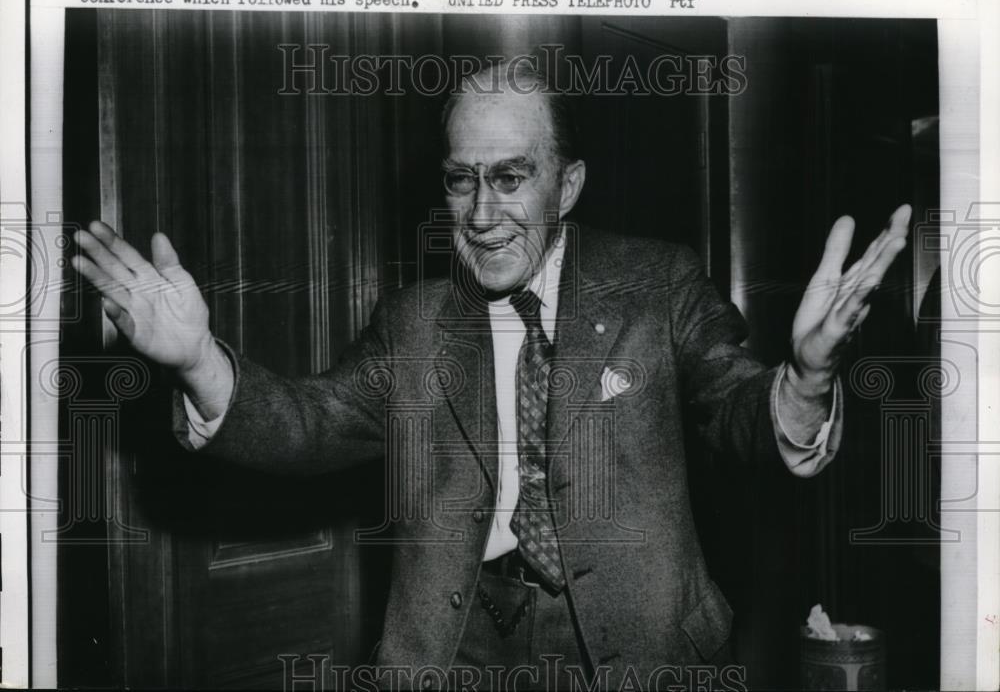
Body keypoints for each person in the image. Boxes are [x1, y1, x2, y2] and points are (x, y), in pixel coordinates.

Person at [72, 61, 910, 691]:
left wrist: (803, 374)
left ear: (568, 184)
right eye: (461, 180)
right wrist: (198, 360)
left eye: (511, 178)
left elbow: (736, 407)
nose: (480, 214)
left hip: (639, 651)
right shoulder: (417, 322)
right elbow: (309, 421)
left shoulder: (656, 283)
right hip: (459, 643)